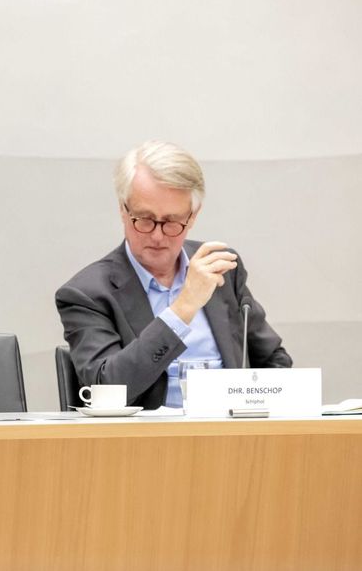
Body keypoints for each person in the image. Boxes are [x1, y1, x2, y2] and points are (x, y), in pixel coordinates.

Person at [55, 141, 290, 409]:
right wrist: (183, 308)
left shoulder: (220, 269)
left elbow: (274, 360)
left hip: (228, 440)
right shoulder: (87, 293)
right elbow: (107, 389)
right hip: (144, 445)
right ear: (123, 210)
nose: (157, 236)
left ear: (193, 216)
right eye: (144, 219)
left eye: (172, 222)